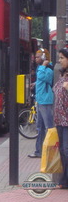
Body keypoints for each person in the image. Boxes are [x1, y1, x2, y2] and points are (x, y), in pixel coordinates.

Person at [28, 48, 54, 158]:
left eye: (38, 57)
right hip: (40, 100)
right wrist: (34, 84)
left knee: (48, 127)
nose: (35, 59)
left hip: (46, 101)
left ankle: (49, 151)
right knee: (40, 127)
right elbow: (40, 80)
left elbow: (45, 78)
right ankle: (39, 151)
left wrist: (43, 66)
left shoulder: (48, 69)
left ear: (44, 57)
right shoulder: (42, 68)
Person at [52, 47, 68, 188]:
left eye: (62, 57)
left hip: (67, 120)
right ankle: (64, 180)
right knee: (62, 150)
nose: (60, 60)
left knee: (66, 150)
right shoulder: (62, 75)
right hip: (59, 119)